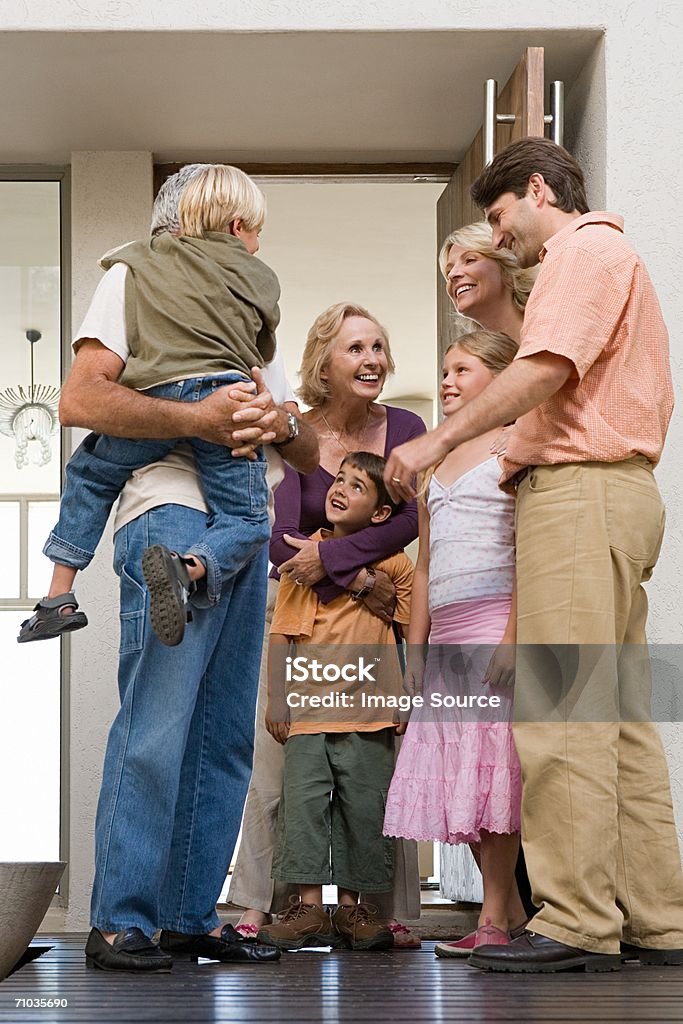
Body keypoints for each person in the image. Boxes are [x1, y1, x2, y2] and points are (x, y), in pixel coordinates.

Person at [385, 137, 683, 972]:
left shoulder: (584, 250)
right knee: (616, 720)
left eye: (497, 212)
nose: (496, 231)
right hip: (614, 494)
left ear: (540, 190)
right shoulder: (603, 258)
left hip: (580, 494)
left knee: (561, 716)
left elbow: (546, 367)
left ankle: (577, 920)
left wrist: (436, 440)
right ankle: (656, 920)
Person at [58, 165, 318, 972]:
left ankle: (184, 916)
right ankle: (121, 922)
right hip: (167, 510)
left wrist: (277, 418)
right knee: (159, 730)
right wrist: (198, 418)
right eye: (248, 226)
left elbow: (302, 450)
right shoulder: (134, 273)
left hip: (240, 529)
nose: (253, 242)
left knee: (222, 738)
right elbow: (81, 401)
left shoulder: (232, 304)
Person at [228, 302, 425, 948]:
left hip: (372, 621)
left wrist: (341, 565)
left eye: (377, 347)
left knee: (373, 768)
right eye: (355, 349)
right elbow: (280, 540)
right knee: (280, 765)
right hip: (298, 611)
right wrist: (354, 574)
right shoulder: (297, 431)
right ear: (323, 363)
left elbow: (405, 522)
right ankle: (267, 904)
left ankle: (383, 909)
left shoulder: (406, 428)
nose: (371, 360)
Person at [21, 164, 280, 647]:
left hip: (160, 393)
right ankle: (189, 568)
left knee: (90, 473)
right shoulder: (259, 278)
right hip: (228, 401)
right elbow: (261, 348)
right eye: (256, 232)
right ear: (236, 227)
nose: (258, 246)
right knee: (247, 519)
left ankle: (58, 596)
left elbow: (118, 262)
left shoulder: (140, 260)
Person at [383, 329, 527, 958]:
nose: (447, 380)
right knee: (455, 779)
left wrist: (514, 636)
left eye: (462, 369)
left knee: (492, 774)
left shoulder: (514, 446)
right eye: (444, 370)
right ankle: (512, 908)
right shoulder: (434, 465)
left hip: (492, 628)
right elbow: (424, 568)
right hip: (444, 639)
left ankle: (494, 916)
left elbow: (530, 552)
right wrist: (415, 652)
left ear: (500, 379)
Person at [259, 451, 413, 951]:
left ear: (382, 516)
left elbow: (412, 631)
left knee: (364, 810)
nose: (339, 489)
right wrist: (278, 702)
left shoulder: (395, 564)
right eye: (338, 479)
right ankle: (306, 907)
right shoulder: (303, 561)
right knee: (303, 809)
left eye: (356, 486)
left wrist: (410, 695)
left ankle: (354, 910)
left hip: (371, 715)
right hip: (306, 715)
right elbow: (281, 636)